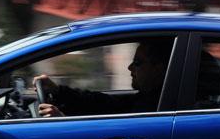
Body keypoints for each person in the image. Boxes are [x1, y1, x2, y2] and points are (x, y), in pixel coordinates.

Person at [34, 39, 173, 117]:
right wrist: (58, 91)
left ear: (158, 69)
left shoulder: (154, 108)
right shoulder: (146, 98)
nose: (129, 67)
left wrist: (62, 122)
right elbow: (104, 102)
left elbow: (117, 136)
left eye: (137, 63)